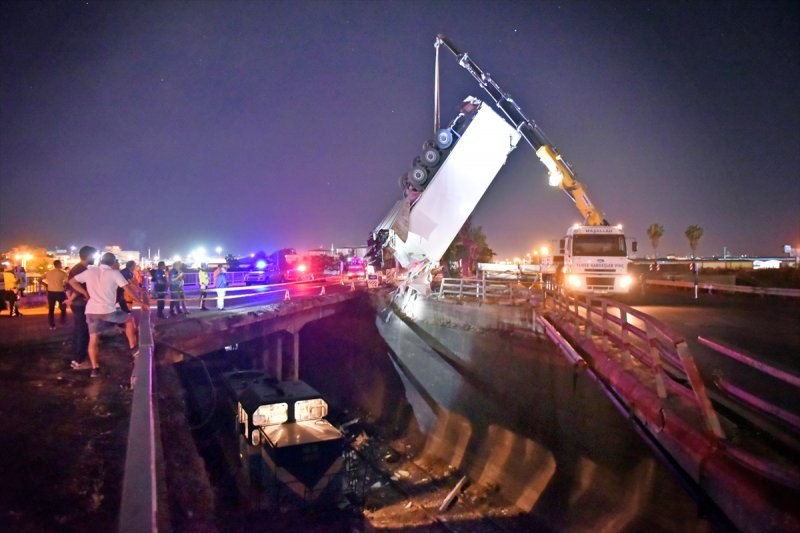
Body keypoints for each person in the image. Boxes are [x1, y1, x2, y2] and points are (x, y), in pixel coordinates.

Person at [69, 252, 148, 378]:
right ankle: (133, 348)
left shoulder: (90, 272)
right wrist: (140, 302)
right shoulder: (114, 273)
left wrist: (84, 292)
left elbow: (72, 281)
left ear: (101, 261)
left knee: (93, 339)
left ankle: (95, 369)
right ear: (113, 262)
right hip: (107, 311)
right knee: (128, 319)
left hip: (91, 311)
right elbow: (128, 289)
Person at [67, 246, 97, 368]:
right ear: (89, 256)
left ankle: (76, 359)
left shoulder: (77, 268)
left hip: (77, 304)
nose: (94, 259)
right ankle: (80, 361)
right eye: (94, 256)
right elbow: (74, 285)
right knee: (83, 332)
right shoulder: (81, 269)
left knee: (78, 331)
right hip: (81, 304)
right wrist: (84, 293)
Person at [43, 260, 69, 329]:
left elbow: (39, 279)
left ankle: (52, 325)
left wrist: (46, 285)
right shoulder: (63, 273)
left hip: (51, 292)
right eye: (61, 264)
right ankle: (63, 321)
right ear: (59, 264)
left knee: (51, 309)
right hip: (60, 292)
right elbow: (67, 282)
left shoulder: (48, 273)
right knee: (63, 308)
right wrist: (64, 286)